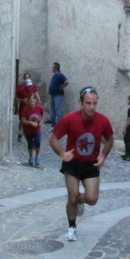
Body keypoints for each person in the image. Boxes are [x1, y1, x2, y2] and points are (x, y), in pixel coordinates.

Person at [49, 86, 114, 241]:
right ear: (80, 102)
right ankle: (71, 226)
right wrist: (62, 154)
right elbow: (53, 139)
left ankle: (79, 200)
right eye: (88, 103)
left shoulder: (103, 120)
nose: (91, 107)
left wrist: (103, 155)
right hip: (73, 163)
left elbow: (110, 139)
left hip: (91, 164)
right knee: (72, 196)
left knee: (92, 199)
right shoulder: (69, 119)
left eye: (94, 103)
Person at [20, 93, 44, 166]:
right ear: (28, 101)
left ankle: (37, 156)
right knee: (30, 144)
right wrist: (30, 122)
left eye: (33, 99)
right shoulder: (25, 109)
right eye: (30, 99)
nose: (32, 100)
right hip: (28, 130)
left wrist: (41, 122)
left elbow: (42, 115)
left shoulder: (39, 108)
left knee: (38, 142)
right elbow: (22, 120)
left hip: (37, 129)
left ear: (36, 100)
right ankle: (31, 157)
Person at [15, 72, 39, 142]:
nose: (30, 87)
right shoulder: (21, 89)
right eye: (26, 77)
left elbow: (35, 92)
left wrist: (38, 99)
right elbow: (16, 99)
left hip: (31, 107)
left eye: (30, 86)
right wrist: (22, 100)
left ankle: (32, 137)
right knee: (22, 121)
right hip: (23, 107)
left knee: (32, 120)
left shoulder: (33, 86)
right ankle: (20, 133)